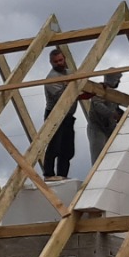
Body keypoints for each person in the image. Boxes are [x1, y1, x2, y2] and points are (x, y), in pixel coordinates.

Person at [41, 44, 76, 180]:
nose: (59, 63)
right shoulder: (51, 78)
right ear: (51, 63)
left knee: (67, 149)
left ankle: (62, 174)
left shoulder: (69, 73)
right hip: (54, 114)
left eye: (61, 60)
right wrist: (72, 86)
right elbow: (62, 97)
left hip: (67, 115)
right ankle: (48, 174)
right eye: (56, 62)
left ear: (64, 59)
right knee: (54, 145)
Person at [83, 69, 125, 163]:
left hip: (109, 128)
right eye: (117, 79)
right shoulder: (99, 89)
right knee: (98, 157)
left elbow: (115, 108)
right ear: (112, 79)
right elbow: (98, 105)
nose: (119, 81)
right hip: (97, 127)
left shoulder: (113, 94)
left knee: (113, 156)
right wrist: (112, 114)